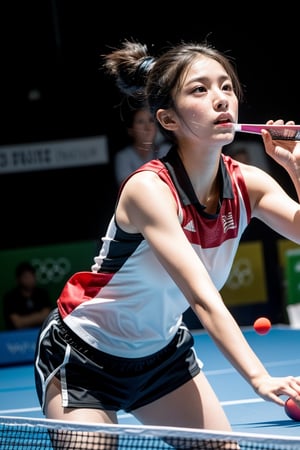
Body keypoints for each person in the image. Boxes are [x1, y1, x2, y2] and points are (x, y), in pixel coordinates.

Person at [34, 39, 300, 438]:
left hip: (161, 358)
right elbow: (201, 297)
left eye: (226, 87)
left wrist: (296, 169)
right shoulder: (150, 190)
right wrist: (258, 378)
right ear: (168, 119)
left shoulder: (250, 184)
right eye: (200, 89)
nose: (221, 99)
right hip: (86, 355)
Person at [114, 99, 170, 186]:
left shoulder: (165, 150)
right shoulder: (123, 157)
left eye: (151, 121)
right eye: (140, 122)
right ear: (130, 130)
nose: (147, 127)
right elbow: (127, 186)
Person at [3, 261, 52, 330]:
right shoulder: (10, 297)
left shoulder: (42, 294)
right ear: (18, 279)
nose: (30, 280)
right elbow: (17, 323)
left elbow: (47, 317)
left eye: (32, 276)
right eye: (26, 277)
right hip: (17, 337)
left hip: (42, 332)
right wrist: (39, 316)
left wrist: (24, 319)